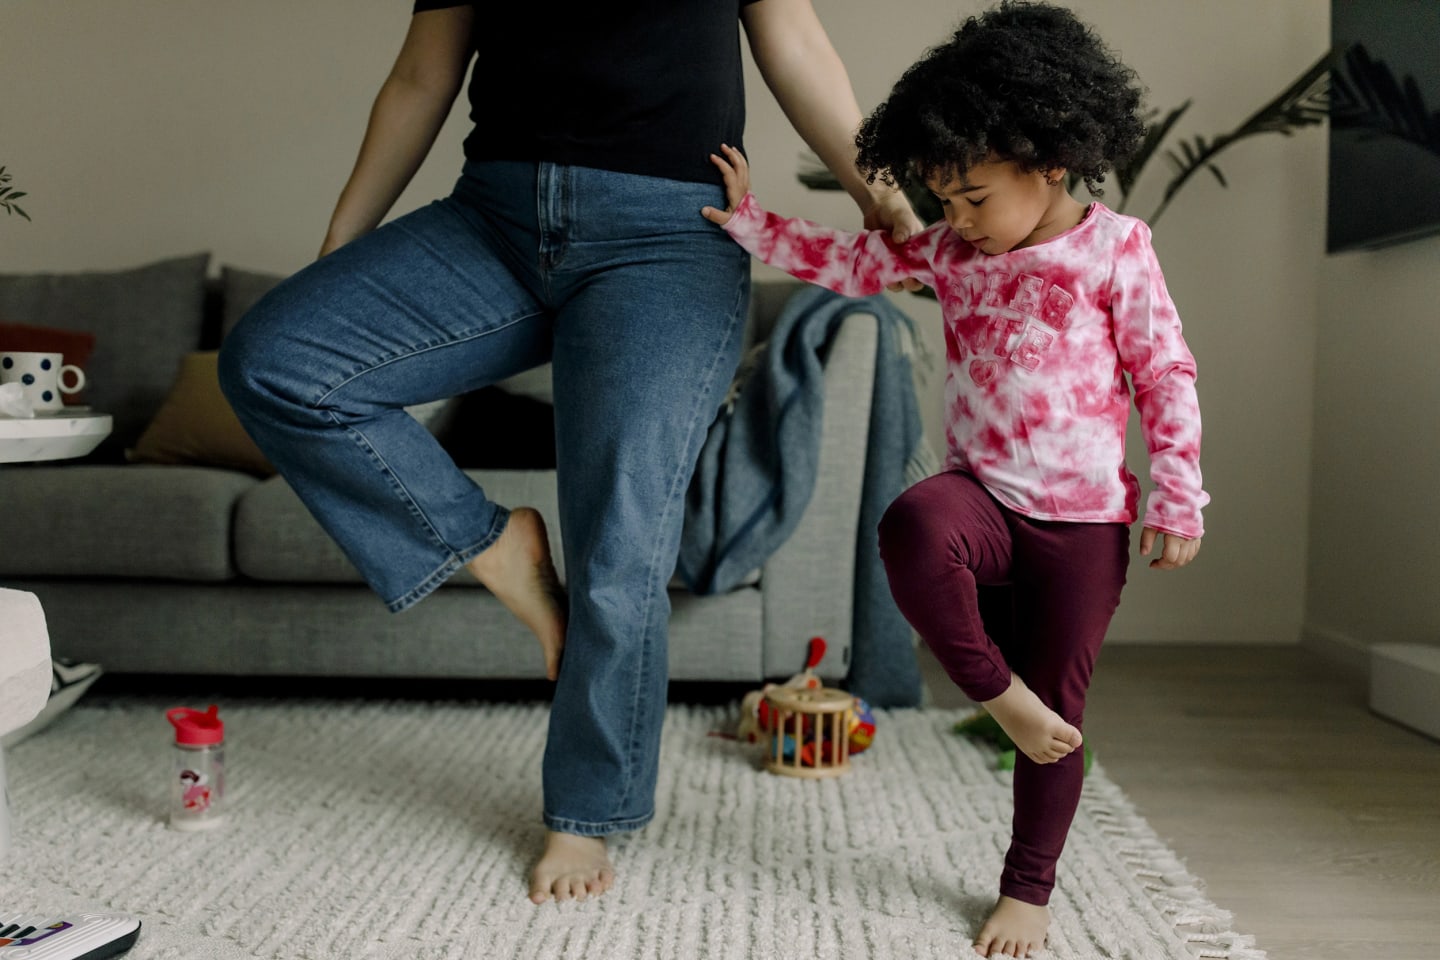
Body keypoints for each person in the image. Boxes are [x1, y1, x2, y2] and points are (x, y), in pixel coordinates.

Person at [217, 1, 922, 906]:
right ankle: (494, 543)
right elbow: (422, 76)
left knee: (618, 542)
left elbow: (794, 40)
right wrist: (339, 248)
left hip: (669, 237)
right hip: (494, 219)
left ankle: (586, 813)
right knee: (277, 360)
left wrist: (880, 193)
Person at [700, 3, 1208, 955]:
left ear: (1050, 161)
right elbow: (850, 260)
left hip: (1083, 524)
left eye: (974, 197)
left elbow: (1164, 374)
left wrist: (1178, 492)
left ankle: (1028, 886)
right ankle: (992, 692)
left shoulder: (1115, 252)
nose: (957, 221)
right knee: (912, 527)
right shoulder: (948, 252)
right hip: (982, 500)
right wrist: (749, 224)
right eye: (943, 201)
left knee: (1059, 719)